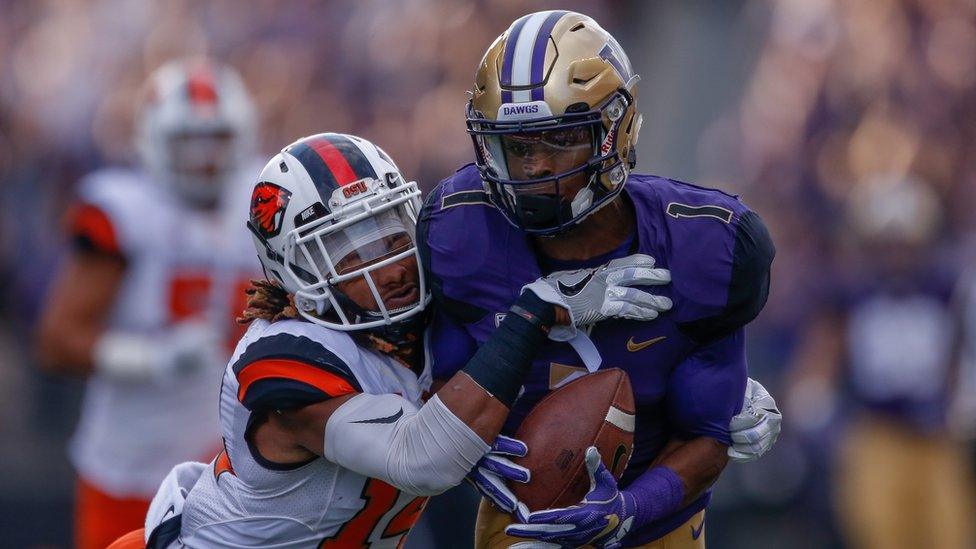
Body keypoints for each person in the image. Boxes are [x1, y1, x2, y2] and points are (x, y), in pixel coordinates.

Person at [110, 132, 674, 549]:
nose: (391, 267)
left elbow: (568, 368)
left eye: (392, 235)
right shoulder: (281, 358)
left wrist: (700, 397)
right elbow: (420, 456)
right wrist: (532, 314)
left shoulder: (424, 326)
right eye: (352, 253)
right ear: (299, 273)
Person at [419, 10, 779, 548]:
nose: (537, 166)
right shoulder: (458, 229)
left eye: (560, 137)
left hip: (659, 520)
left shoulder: (705, 246)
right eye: (518, 146)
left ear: (616, 129)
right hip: (519, 513)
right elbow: (435, 383)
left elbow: (706, 437)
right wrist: (468, 455)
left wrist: (630, 509)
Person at [35, 57, 261, 549]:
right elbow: (56, 340)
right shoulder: (125, 209)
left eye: (216, 138)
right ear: (154, 140)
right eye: (188, 141)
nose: (204, 158)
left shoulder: (264, 199)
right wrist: (150, 359)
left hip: (228, 464)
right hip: (128, 464)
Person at [788, 175, 975, 549]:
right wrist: (813, 390)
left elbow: (956, 349)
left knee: (950, 532)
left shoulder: (944, 289)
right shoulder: (851, 293)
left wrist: (963, 393)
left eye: (905, 244)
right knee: (879, 531)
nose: (897, 255)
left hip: (935, 435)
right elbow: (825, 348)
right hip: (875, 432)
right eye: (887, 244)